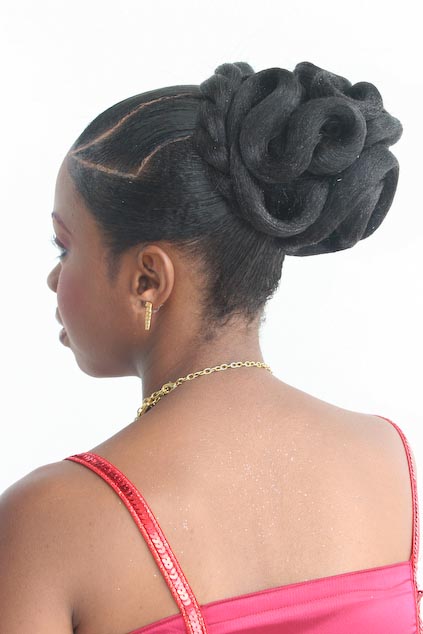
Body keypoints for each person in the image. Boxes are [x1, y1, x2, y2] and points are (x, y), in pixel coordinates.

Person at [0, 60, 421, 633]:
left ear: (148, 279)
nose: (54, 279)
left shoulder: (51, 522)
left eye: (64, 247)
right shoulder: (388, 458)